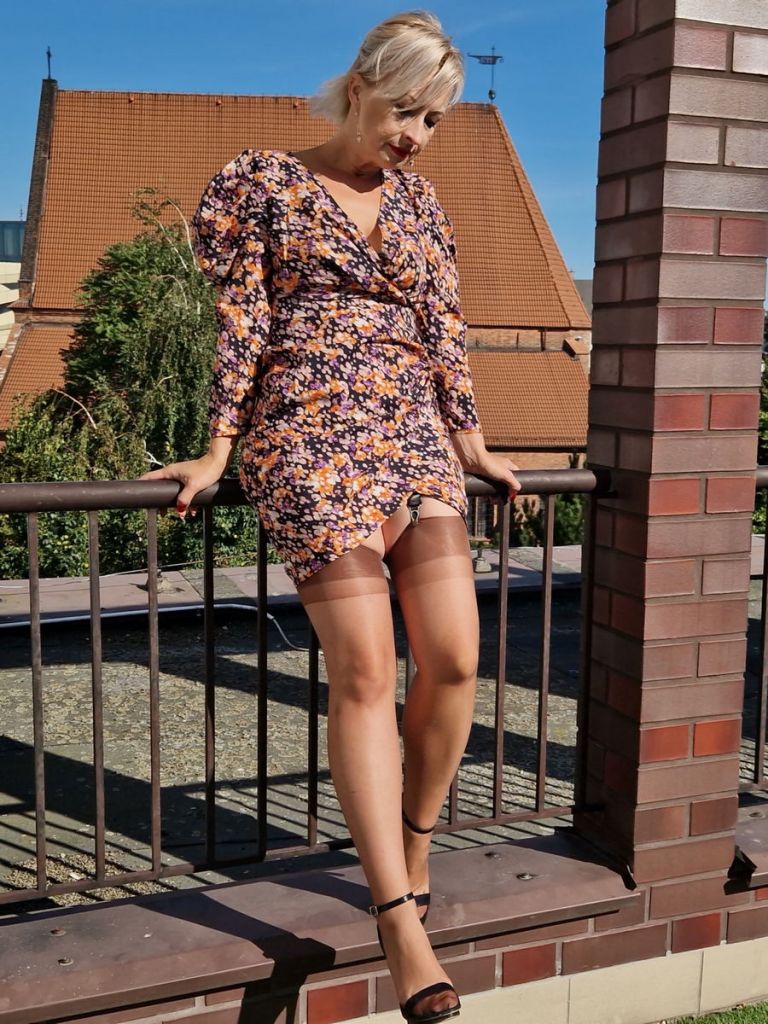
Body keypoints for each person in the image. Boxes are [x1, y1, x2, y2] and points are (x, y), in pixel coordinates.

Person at [141, 11, 520, 1022]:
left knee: (455, 658)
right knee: (364, 669)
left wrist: (472, 441)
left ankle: (414, 844)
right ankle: (397, 917)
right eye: (406, 111)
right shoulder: (264, 182)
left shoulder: (421, 204)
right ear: (360, 87)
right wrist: (218, 446)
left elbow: (445, 329)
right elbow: (244, 321)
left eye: (433, 121)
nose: (416, 136)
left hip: (412, 437)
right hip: (306, 436)